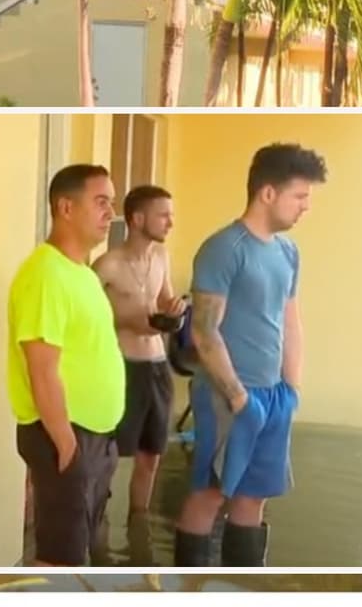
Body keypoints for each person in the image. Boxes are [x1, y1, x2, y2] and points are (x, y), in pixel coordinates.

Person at [173, 143, 327, 567]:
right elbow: (204, 332)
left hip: (273, 394)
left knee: (254, 498)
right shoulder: (225, 248)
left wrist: (291, 388)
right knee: (209, 495)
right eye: (300, 196)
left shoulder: (287, 252)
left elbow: (290, 320)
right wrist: (239, 398)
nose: (305, 207)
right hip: (227, 395)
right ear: (268, 194)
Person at [7, 164, 125, 567]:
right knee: (60, 560)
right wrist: (66, 446)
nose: (111, 212)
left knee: (76, 553)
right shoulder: (45, 274)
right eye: (100, 202)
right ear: (66, 208)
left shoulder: (82, 274)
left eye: (112, 202)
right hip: (66, 435)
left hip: (94, 436)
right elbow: (41, 368)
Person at [91, 184, 185, 563]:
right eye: (164, 214)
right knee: (110, 453)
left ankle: (138, 532)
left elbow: (165, 300)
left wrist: (173, 310)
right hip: (122, 367)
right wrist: (124, 319)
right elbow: (88, 318)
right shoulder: (106, 265)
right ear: (137, 218)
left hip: (158, 367)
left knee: (151, 455)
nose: (171, 222)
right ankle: (96, 532)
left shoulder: (161, 256)